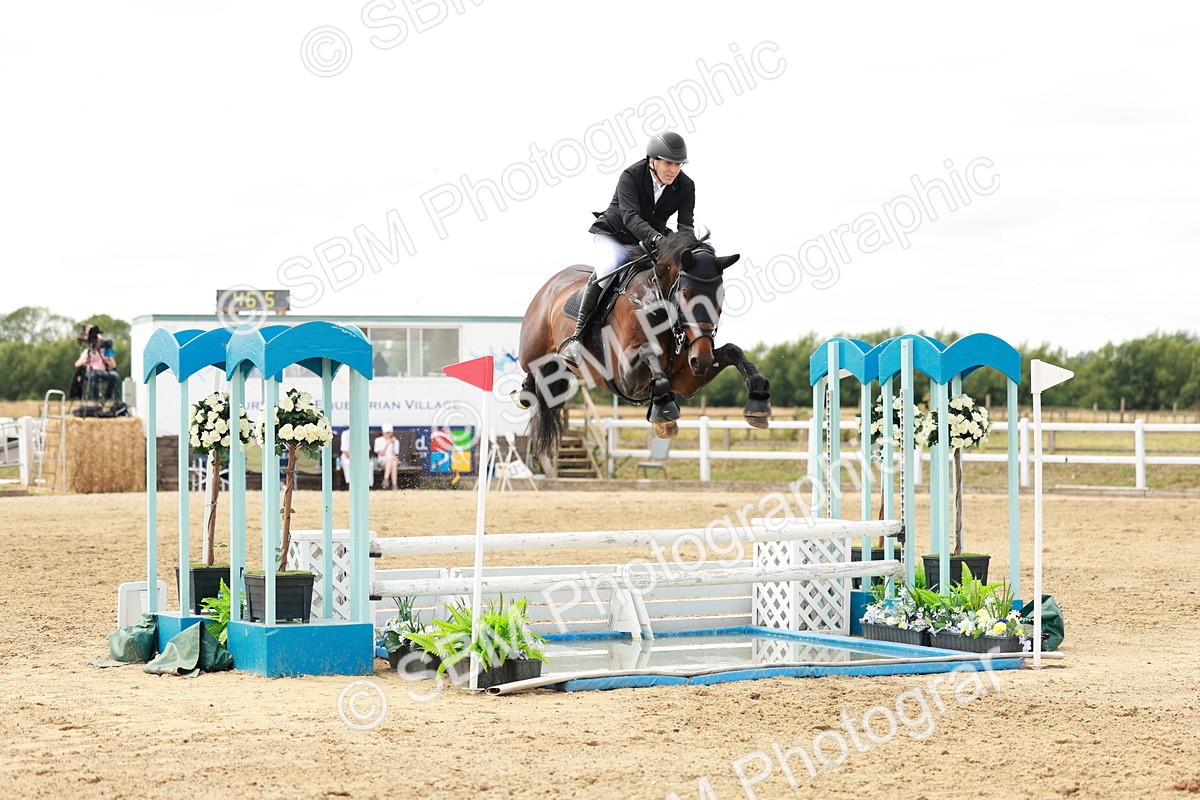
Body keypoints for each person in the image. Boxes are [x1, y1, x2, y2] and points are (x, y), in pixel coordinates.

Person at [563, 131, 696, 355]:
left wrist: (689, 252)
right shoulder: (631, 176)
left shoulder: (686, 186)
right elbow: (631, 218)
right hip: (615, 236)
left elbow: (685, 226)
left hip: (650, 242)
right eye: (668, 163)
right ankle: (576, 337)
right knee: (609, 266)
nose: (674, 170)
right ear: (652, 160)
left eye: (678, 164)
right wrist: (657, 239)